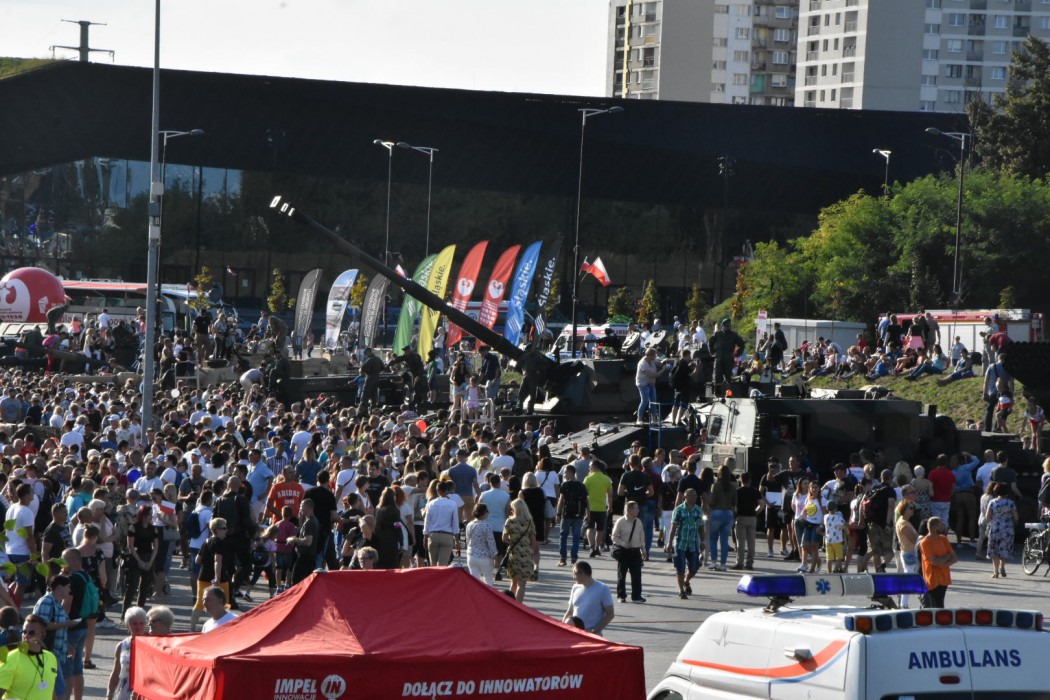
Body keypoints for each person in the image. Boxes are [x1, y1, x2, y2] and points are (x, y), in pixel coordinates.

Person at [0, 614, 59, 700]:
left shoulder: (51, 657)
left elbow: (50, 689)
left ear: (42, 635)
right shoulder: (11, 658)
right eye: (24, 632)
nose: (26, 636)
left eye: (31, 633)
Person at [191, 517, 232, 633]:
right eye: (224, 528)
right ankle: (224, 627)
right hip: (220, 578)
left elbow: (197, 560)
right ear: (217, 530)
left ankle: (192, 628)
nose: (226, 530)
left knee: (199, 603)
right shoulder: (220, 542)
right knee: (224, 603)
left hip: (203, 576)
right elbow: (217, 561)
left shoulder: (206, 541)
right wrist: (217, 579)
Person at [666, 488, 703, 599]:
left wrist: (703, 541)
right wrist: (669, 543)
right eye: (692, 496)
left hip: (693, 543)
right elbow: (673, 527)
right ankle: (681, 590)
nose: (695, 498)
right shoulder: (678, 510)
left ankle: (686, 581)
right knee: (680, 568)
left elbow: (701, 527)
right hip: (680, 543)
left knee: (694, 567)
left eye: (695, 496)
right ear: (685, 497)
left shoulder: (698, 510)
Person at [562, 561, 615, 636]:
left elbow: (610, 614)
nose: (573, 577)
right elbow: (570, 611)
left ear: (582, 573)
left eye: (575, 574)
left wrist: (594, 630)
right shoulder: (575, 587)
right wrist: (561, 628)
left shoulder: (603, 589)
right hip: (574, 634)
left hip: (591, 635)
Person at [107, 606, 148, 700]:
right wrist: (109, 694)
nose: (138, 627)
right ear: (128, 625)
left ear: (146, 623)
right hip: (124, 692)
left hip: (144, 692)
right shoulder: (122, 645)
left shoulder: (152, 643)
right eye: (134, 623)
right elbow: (116, 672)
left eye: (141, 623)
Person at [918, 516, 957, 609]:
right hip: (932, 579)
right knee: (934, 606)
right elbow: (935, 562)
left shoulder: (943, 539)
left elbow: (954, 558)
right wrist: (947, 557)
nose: (943, 526)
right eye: (941, 525)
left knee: (939, 605)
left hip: (944, 578)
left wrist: (943, 563)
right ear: (935, 527)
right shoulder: (925, 542)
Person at [503, 498, 537, 602]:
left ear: (516, 509)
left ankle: (510, 603)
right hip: (526, 554)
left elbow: (504, 538)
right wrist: (531, 552)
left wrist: (512, 542)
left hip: (514, 553)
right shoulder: (529, 522)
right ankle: (518, 605)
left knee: (513, 582)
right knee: (522, 583)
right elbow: (533, 541)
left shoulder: (510, 521)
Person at [611, 501, 645, 604]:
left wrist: (643, 550)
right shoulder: (620, 521)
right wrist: (623, 543)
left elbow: (641, 536)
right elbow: (614, 537)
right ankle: (621, 596)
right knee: (622, 575)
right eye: (636, 508)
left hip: (635, 551)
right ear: (630, 510)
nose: (638, 510)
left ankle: (636, 596)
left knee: (637, 574)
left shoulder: (638, 522)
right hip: (624, 551)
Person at [556, 465, 589, 567]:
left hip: (566, 514)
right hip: (578, 515)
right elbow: (587, 501)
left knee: (563, 536)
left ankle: (563, 558)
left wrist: (558, 514)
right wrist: (588, 514)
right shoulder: (582, 486)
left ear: (571, 472)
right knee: (576, 537)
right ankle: (574, 559)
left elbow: (561, 501)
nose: (564, 474)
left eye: (565, 472)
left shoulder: (565, 485)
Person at [984, 482, 1019, 578]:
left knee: (994, 550)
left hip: (995, 528)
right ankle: (1002, 567)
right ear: (1007, 492)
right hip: (1007, 528)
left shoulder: (992, 502)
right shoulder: (1011, 503)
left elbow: (987, 516)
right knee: (1004, 548)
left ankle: (995, 572)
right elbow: (1016, 517)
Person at [707, 463, 737, 572]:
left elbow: (712, 501)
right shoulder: (733, 487)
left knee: (713, 538)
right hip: (728, 514)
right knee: (724, 540)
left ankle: (713, 562)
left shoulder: (715, 485)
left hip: (716, 513)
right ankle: (723, 564)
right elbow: (735, 502)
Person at [423, 480, 459, 567]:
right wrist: (457, 540)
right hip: (447, 535)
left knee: (433, 564)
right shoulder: (453, 504)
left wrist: (425, 537)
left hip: (433, 535)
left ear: (437, 490)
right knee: (442, 565)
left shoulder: (430, 504)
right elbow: (455, 523)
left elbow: (427, 522)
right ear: (447, 490)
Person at [584, 461, 613, 558]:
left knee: (590, 528)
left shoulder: (588, 478)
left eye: (590, 466)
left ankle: (591, 547)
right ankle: (597, 547)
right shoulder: (606, 479)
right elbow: (610, 495)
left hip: (590, 508)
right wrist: (610, 506)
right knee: (600, 529)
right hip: (602, 508)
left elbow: (584, 493)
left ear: (594, 467)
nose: (589, 468)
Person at [464, 502, 498, 585]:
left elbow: (468, 540)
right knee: (488, 580)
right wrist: (495, 556)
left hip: (472, 556)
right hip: (485, 557)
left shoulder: (469, 525)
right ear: (483, 513)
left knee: (474, 582)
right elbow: (491, 542)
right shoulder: (487, 526)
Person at [288, 498, 319, 584]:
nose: (300, 508)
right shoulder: (313, 520)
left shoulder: (309, 522)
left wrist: (294, 539)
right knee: (305, 584)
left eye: (301, 506)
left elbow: (308, 541)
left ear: (308, 507)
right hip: (309, 558)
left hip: (304, 558)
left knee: (296, 582)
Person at [895, 501, 919, 608]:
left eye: (913, 508)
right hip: (909, 553)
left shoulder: (905, 522)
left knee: (910, 578)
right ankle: (904, 604)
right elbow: (913, 538)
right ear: (904, 510)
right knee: (909, 578)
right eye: (910, 508)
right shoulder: (903, 523)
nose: (913, 510)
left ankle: (904, 603)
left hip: (909, 552)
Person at [824, 502, 847, 574]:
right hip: (837, 540)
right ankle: (835, 570)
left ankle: (829, 572)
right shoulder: (838, 518)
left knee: (829, 558)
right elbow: (844, 525)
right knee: (839, 557)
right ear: (835, 508)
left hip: (828, 540)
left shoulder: (825, 517)